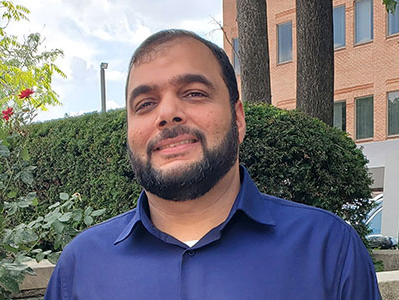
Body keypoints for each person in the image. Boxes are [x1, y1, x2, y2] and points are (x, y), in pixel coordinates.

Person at [45, 29, 381, 300]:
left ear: (238, 119)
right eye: (145, 104)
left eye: (193, 93)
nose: (166, 114)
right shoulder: (80, 268)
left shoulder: (329, 252)